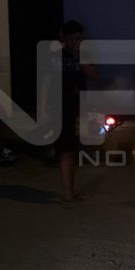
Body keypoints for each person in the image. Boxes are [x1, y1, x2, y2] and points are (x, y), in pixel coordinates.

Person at [46, 20, 97, 205]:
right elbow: (46, 84)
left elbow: (93, 75)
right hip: (61, 109)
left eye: (79, 38)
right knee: (66, 151)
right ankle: (68, 194)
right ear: (64, 38)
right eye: (72, 38)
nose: (76, 42)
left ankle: (71, 191)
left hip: (79, 107)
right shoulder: (55, 57)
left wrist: (79, 57)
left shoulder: (84, 55)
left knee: (73, 151)